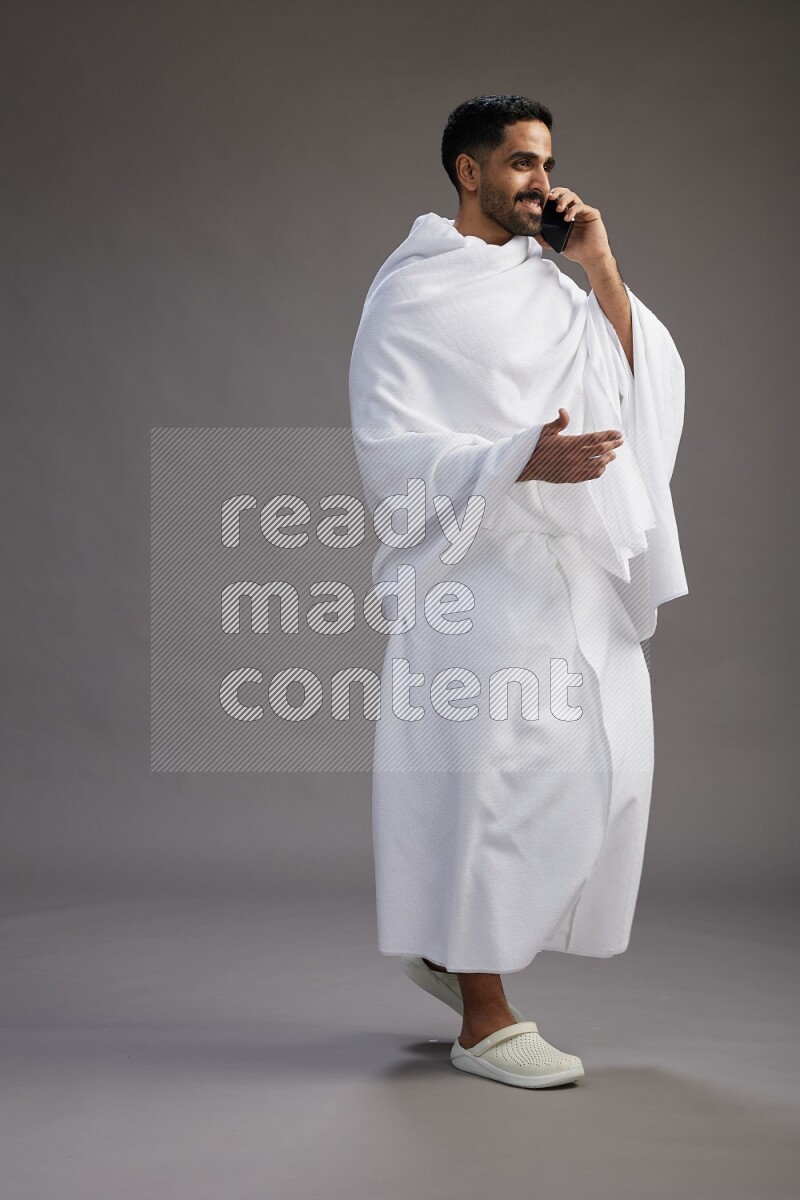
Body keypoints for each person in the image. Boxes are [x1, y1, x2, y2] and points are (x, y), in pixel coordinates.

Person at [348, 95, 687, 1089]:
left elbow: (638, 387)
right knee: (487, 777)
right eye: (521, 165)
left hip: (569, 569)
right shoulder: (410, 291)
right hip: (472, 573)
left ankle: (446, 945)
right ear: (468, 171)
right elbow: (387, 444)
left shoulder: (555, 282)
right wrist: (514, 460)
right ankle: (482, 1017)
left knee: (600, 764)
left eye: (545, 164)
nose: (541, 183)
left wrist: (599, 265)